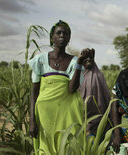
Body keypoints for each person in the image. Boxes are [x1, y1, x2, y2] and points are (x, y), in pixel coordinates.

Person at [28, 20, 92, 154]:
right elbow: (34, 92)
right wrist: (32, 121)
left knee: (69, 146)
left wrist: (79, 62)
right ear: (52, 38)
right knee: (46, 149)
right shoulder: (40, 60)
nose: (62, 36)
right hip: (45, 115)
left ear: (69, 38)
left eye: (66, 33)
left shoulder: (75, 61)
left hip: (67, 114)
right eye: (59, 33)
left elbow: (71, 89)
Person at [79, 49, 111, 136]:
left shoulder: (98, 75)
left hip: (98, 120)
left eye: (91, 57)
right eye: (85, 57)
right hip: (80, 119)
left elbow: (106, 98)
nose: (88, 59)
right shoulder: (76, 75)